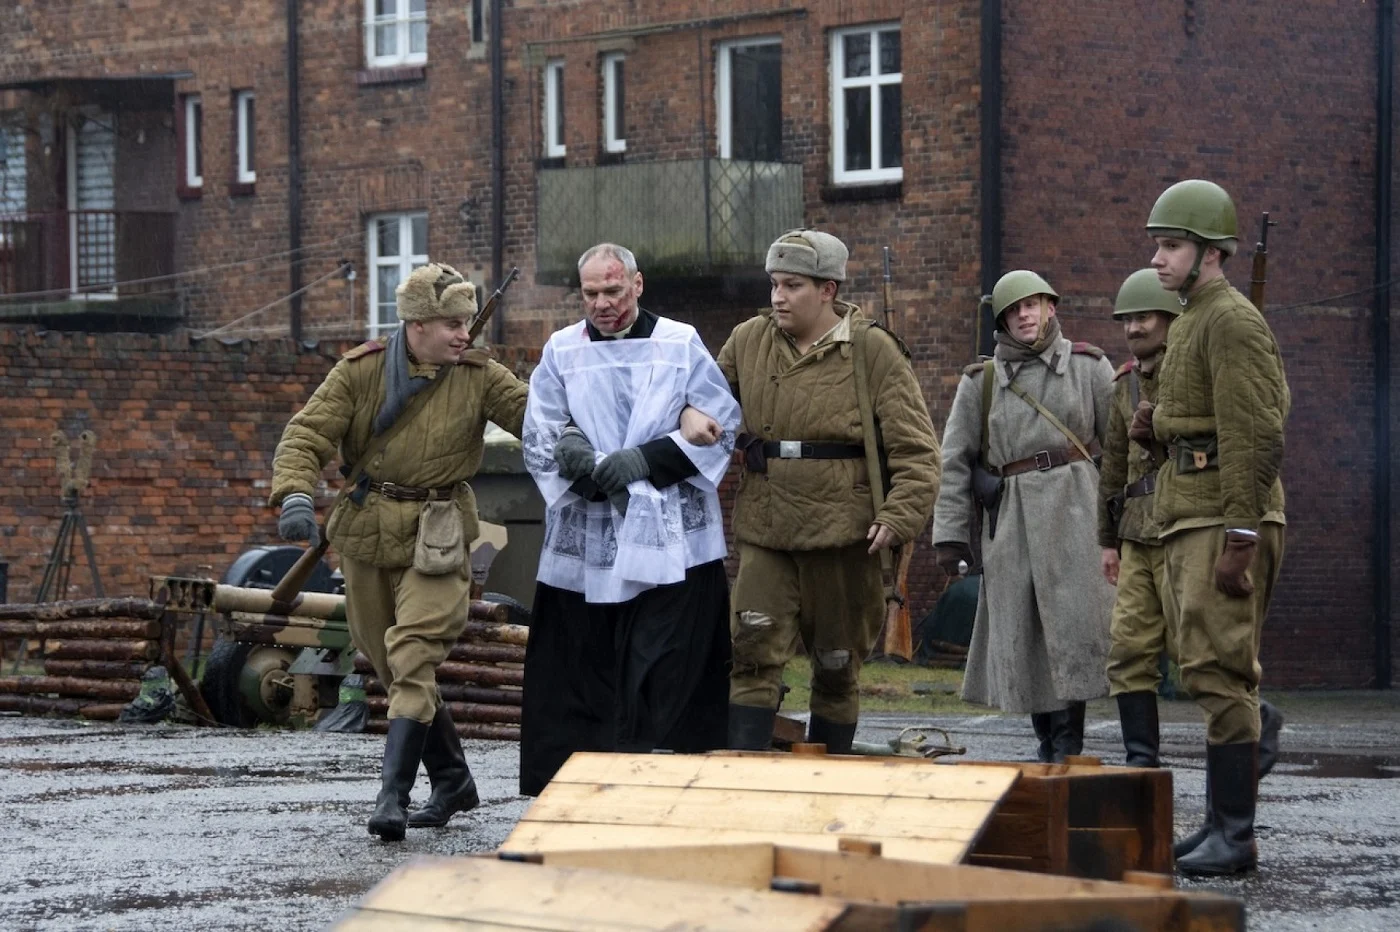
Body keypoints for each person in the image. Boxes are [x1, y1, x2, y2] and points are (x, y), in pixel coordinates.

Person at [270, 262, 528, 841]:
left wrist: (576, 437)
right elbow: (307, 434)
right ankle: (455, 779)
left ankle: (392, 797)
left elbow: (537, 416)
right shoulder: (360, 372)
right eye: (451, 323)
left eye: (468, 320)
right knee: (388, 663)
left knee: (412, 656)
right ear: (415, 325)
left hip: (438, 530)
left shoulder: (480, 375)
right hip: (365, 527)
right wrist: (293, 495)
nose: (465, 333)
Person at [518, 242, 740, 797]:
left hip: (668, 536)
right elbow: (539, 429)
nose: (602, 304)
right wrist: (582, 462)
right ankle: (578, 785)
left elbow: (721, 424)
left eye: (613, 291)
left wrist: (644, 460)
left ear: (637, 286)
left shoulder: (678, 342)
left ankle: (662, 778)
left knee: (662, 662)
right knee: (582, 666)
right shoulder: (562, 349)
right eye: (591, 293)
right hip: (590, 529)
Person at [718, 229, 941, 754]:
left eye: (792, 285)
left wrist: (898, 515)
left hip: (846, 536)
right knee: (751, 654)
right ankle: (745, 783)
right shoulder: (748, 340)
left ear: (828, 289)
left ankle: (831, 778)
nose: (778, 297)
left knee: (838, 666)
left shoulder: (872, 350)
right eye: (774, 284)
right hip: (768, 530)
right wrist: (692, 414)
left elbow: (918, 451)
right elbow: (701, 398)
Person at [1142, 179, 1289, 876]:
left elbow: (1255, 431)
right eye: (1158, 246)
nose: (1158, 259)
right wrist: (1154, 428)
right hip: (1189, 508)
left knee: (1219, 668)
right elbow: (1196, 417)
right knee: (1205, 666)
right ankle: (1220, 825)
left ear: (1209, 252)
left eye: (1170, 246)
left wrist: (1243, 534)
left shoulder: (1229, 319)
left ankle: (1236, 836)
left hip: (1223, 513)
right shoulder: (1194, 318)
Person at [932, 270, 1115, 762]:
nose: (1026, 315)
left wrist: (1123, 526)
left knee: (1074, 630)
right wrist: (950, 537)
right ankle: (1047, 747)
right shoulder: (981, 383)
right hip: (1011, 523)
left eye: (1034, 304)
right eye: (1015, 309)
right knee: (1026, 633)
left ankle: (1068, 748)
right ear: (1003, 320)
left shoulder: (1090, 368)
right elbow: (954, 461)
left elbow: (1120, 453)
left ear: (1051, 308)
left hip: (1078, 514)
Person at [1098, 269, 1183, 767]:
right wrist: (1107, 540)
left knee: (1199, 652)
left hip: (1182, 526)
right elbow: (1111, 464)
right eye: (1127, 319)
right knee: (1128, 650)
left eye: (1144, 316)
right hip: (1135, 533)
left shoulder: (1191, 373)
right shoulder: (1124, 384)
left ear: (1170, 319)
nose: (1133, 327)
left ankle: (1253, 723)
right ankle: (1140, 763)